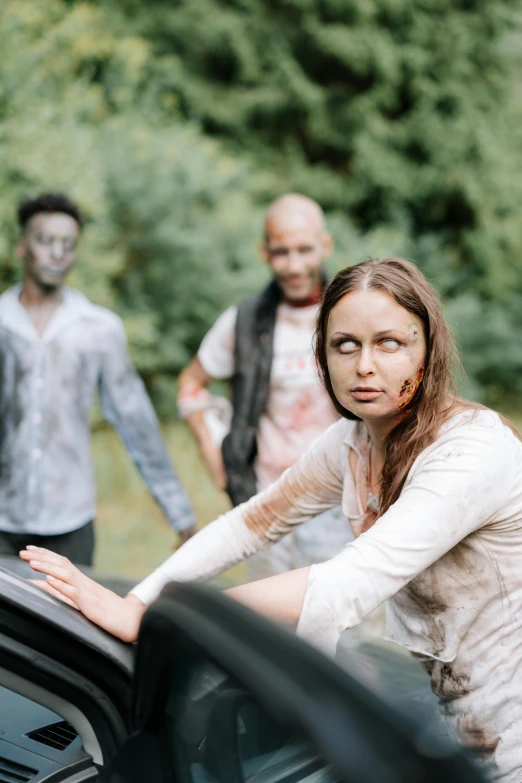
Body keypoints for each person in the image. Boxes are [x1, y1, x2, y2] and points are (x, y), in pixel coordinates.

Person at [22, 256, 522, 781]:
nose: (364, 365)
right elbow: (250, 524)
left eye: (390, 343)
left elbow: (342, 586)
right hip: (451, 727)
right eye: (344, 344)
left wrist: (163, 620)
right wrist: (138, 601)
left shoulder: (470, 453)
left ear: (429, 351)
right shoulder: (350, 445)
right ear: (323, 357)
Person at [0, 192, 196, 565]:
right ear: (21, 247)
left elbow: (135, 421)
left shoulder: (98, 329)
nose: (58, 253)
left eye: (68, 244)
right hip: (3, 520)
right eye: (45, 241)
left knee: (66, 623)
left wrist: (180, 514)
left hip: (71, 521)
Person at [177, 193, 352, 580]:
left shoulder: (351, 314)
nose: (294, 265)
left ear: (325, 246)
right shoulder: (243, 321)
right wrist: (212, 453)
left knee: (338, 630)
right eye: (281, 252)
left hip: (339, 503)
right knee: (267, 626)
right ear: (264, 252)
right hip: (266, 500)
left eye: (305, 250)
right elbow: (191, 384)